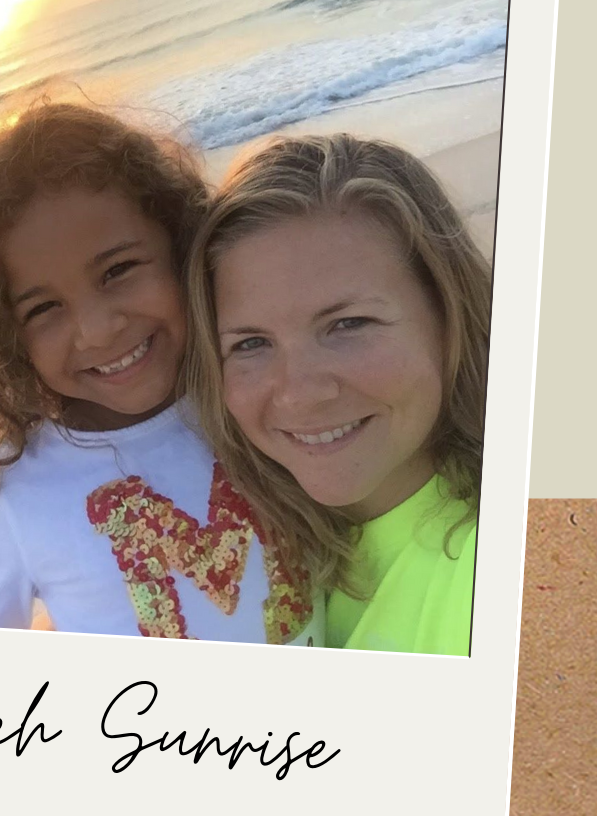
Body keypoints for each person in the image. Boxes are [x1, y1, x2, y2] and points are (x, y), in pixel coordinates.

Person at [0, 102, 319, 644]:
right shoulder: (17, 487)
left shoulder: (248, 390)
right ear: (6, 335)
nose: (96, 330)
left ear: (181, 243)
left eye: (118, 270)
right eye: (43, 309)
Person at [183, 134, 491, 656]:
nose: (300, 394)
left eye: (348, 324)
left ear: (448, 314)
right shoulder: (257, 554)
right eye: (252, 343)